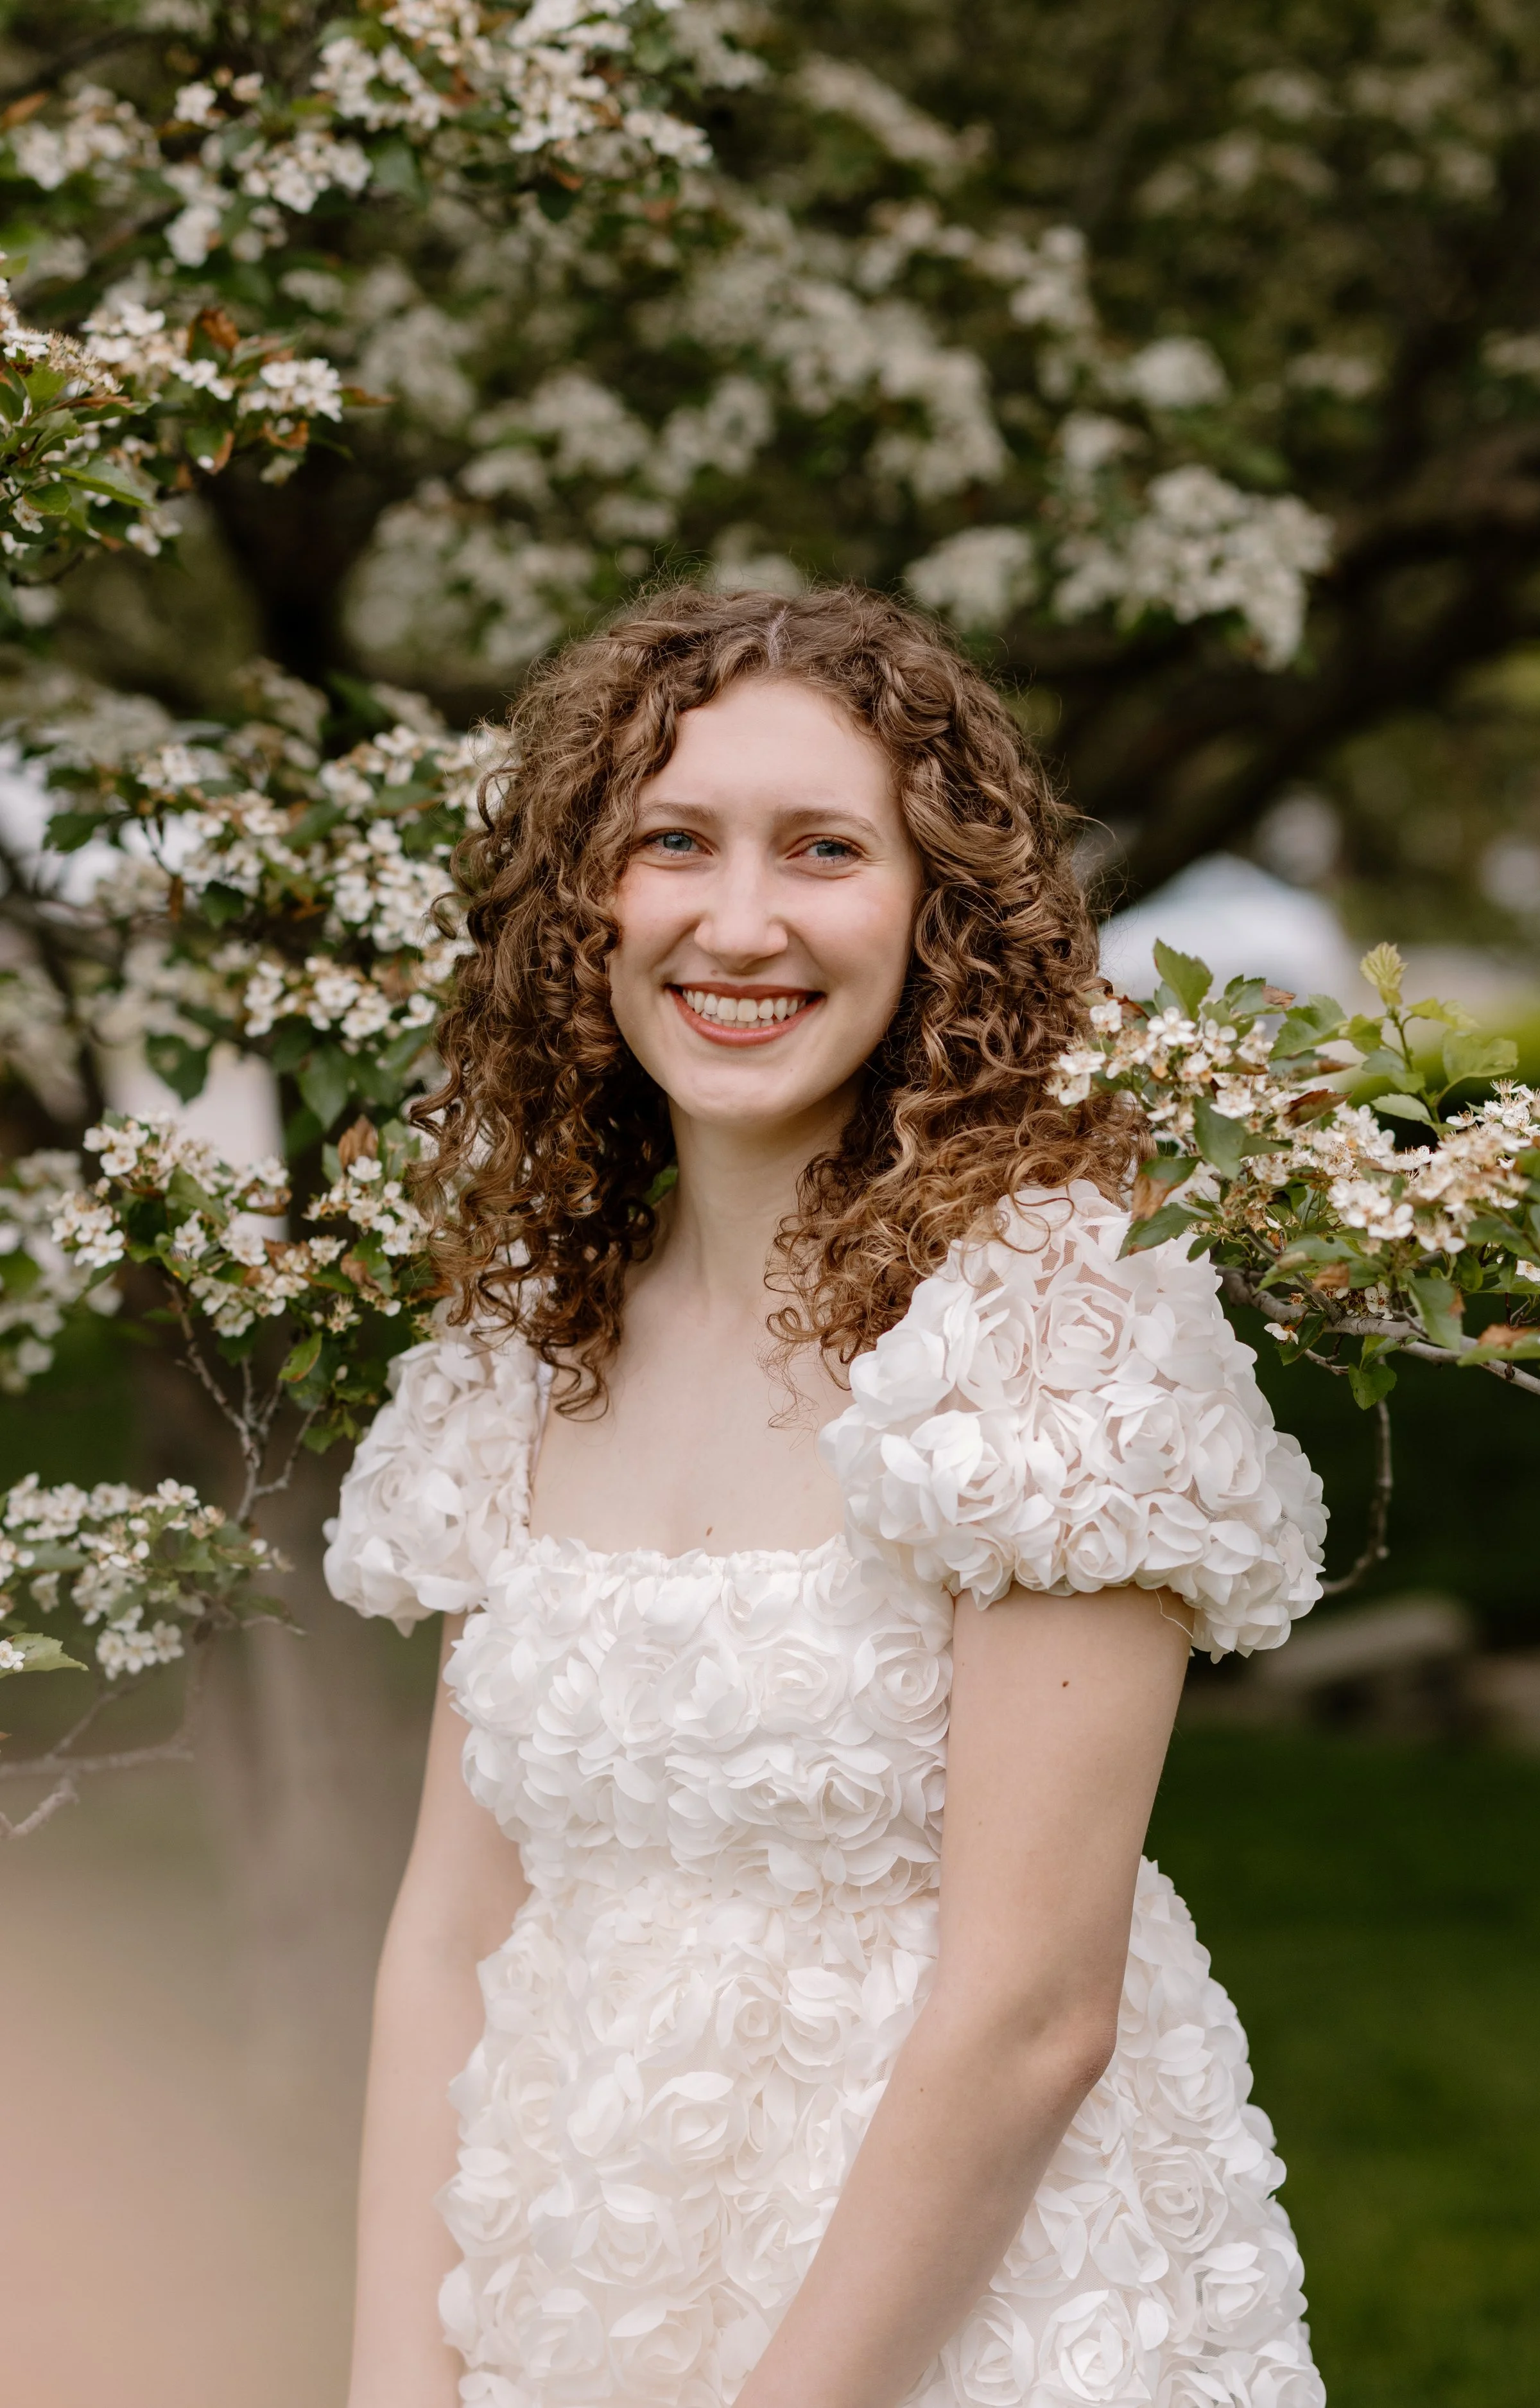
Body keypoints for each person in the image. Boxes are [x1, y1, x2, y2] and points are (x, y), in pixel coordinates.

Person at [327, 584, 1329, 2408]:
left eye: (822, 850)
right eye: (672, 843)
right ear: (583, 905)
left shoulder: (1049, 1329)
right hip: (577, 2276)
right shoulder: (520, 1348)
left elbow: (1033, 2012)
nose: (738, 921)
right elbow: (447, 1931)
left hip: (958, 2314)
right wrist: (399, 2370)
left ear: (937, 905)